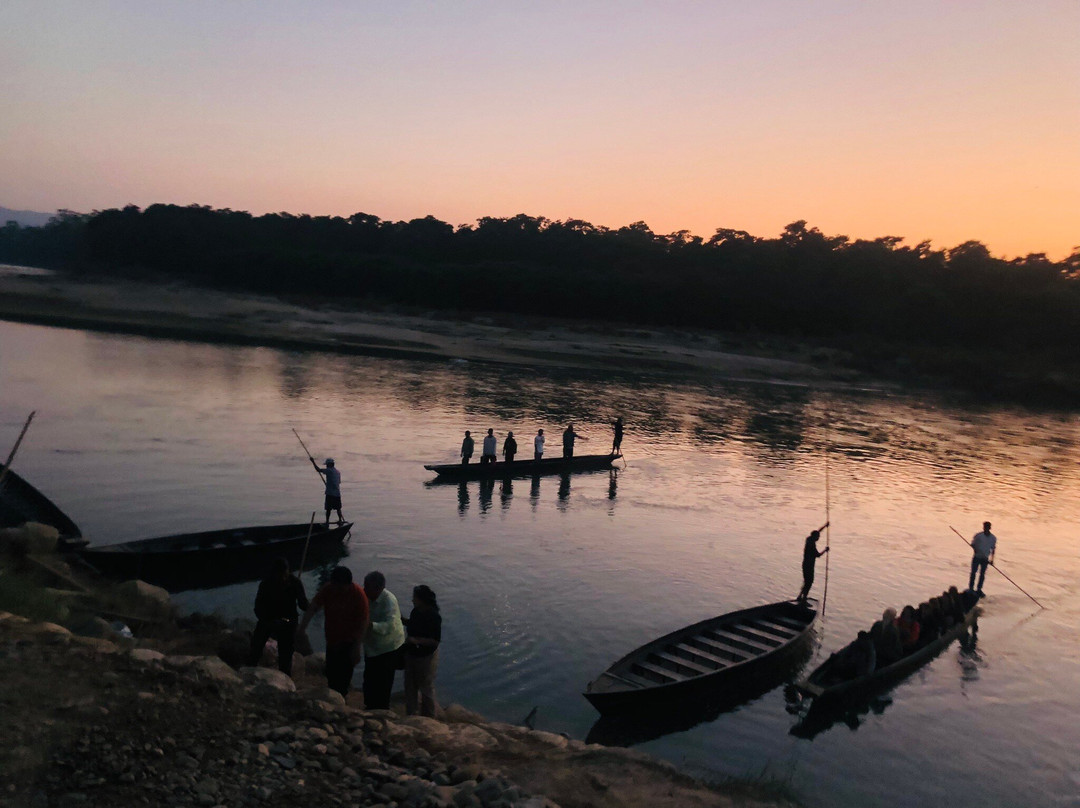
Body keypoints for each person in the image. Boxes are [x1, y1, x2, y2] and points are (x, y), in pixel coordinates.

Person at [297, 566, 369, 696]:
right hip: (332, 639)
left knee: (344, 677)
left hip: (349, 642)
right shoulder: (328, 589)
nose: (337, 590)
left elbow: (363, 623)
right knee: (331, 673)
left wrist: (357, 647)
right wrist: (302, 628)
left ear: (348, 584)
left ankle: (342, 698)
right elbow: (313, 607)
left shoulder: (358, 595)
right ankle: (334, 697)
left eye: (340, 587)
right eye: (335, 586)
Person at [247, 558, 308, 676]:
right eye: (279, 575)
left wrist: (312, 606)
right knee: (256, 645)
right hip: (269, 619)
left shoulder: (294, 582)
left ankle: (285, 675)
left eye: (284, 574)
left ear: (288, 572)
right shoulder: (266, 584)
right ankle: (250, 668)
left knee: (286, 653)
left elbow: (303, 604)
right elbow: (258, 608)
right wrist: (267, 621)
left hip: (288, 620)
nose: (282, 578)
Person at [362, 570, 406, 710]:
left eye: (367, 587)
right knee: (369, 679)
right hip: (372, 646)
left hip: (389, 646)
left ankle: (382, 710)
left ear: (379, 589)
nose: (365, 589)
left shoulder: (389, 601)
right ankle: (369, 706)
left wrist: (370, 625)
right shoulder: (365, 596)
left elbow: (390, 626)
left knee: (384, 681)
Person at [402, 584, 442, 717]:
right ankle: (411, 714)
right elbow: (413, 624)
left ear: (421, 599)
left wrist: (417, 641)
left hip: (426, 657)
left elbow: (435, 640)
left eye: (414, 598)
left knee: (426, 688)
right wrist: (402, 620)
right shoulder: (416, 611)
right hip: (412, 654)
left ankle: (429, 717)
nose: (412, 600)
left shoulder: (434, 616)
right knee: (410, 687)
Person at [795, 522, 830, 603]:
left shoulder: (809, 539)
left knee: (806, 581)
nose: (819, 538)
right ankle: (803, 599)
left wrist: (825, 526)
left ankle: (800, 596)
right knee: (809, 582)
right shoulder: (812, 545)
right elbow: (817, 555)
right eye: (818, 537)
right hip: (809, 566)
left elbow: (818, 531)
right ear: (815, 537)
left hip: (805, 564)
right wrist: (825, 550)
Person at [311, 457, 343, 526]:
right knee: (338, 508)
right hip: (337, 493)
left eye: (327, 465)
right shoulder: (338, 472)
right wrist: (329, 483)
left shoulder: (329, 470)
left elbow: (318, 470)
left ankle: (327, 522)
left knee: (328, 509)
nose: (326, 466)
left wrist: (313, 461)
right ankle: (340, 520)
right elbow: (338, 482)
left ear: (329, 465)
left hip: (330, 493)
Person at [969, 521, 997, 595]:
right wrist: (975, 549)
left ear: (990, 528)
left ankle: (979, 589)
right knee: (973, 573)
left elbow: (993, 549)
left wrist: (992, 560)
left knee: (982, 574)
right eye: (985, 527)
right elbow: (973, 545)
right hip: (977, 557)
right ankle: (971, 588)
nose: (986, 528)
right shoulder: (978, 536)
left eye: (987, 527)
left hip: (985, 559)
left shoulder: (993, 538)